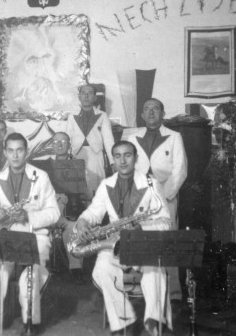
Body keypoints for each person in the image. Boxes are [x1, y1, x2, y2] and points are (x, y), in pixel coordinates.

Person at [75, 141, 173, 336]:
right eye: (118, 156)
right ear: (114, 160)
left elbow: (166, 222)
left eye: (127, 155)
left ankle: (156, 322)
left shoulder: (151, 183)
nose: (123, 160)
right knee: (101, 270)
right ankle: (124, 323)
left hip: (143, 243)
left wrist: (141, 227)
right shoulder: (106, 184)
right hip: (114, 244)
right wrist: (84, 222)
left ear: (136, 158)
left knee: (156, 270)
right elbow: (93, 212)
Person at [0, 133, 59, 336]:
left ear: (26, 152)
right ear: (5, 152)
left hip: (35, 235)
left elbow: (54, 213)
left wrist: (28, 216)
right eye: (11, 151)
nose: (15, 156)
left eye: (19, 150)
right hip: (8, 235)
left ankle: (31, 322)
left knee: (30, 275)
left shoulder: (41, 177)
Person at [126, 98, 187, 302]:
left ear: (163, 113)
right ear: (142, 115)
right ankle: (141, 287)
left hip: (166, 194)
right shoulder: (133, 137)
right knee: (139, 239)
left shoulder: (174, 136)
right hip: (139, 196)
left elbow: (180, 171)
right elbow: (127, 167)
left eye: (156, 109)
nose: (151, 112)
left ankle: (173, 292)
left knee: (167, 240)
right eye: (147, 109)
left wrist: (164, 196)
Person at [46, 132, 86, 284]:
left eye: (63, 141)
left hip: (70, 211)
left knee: (72, 229)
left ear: (69, 144)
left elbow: (86, 193)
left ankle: (75, 269)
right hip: (49, 209)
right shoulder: (45, 166)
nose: (59, 144)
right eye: (56, 142)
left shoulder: (79, 165)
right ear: (52, 145)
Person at [66, 84, 115, 198]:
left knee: (95, 188)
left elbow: (108, 140)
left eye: (90, 93)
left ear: (95, 97)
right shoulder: (72, 116)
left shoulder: (102, 116)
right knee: (77, 189)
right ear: (79, 97)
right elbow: (67, 138)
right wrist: (67, 158)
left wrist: (112, 161)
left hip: (96, 155)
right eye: (83, 93)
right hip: (76, 155)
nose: (86, 96)